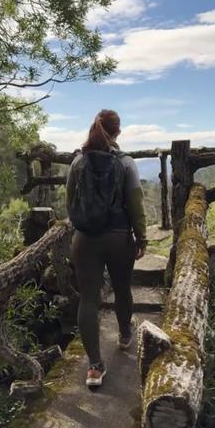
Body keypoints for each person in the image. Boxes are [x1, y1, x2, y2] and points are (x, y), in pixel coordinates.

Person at [67, 109, 147, 387]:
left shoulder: (78, 162)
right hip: (118, 237)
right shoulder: (125, 163)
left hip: (84, 239)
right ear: (118, 132)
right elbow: (135, 204)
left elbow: (70, 203)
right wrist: (142, 237)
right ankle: (125, 335)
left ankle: (94, 367)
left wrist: (81, 228)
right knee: (122, 288)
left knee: (88, 299)